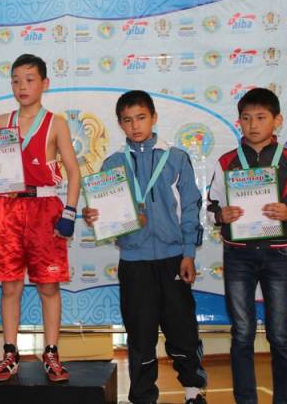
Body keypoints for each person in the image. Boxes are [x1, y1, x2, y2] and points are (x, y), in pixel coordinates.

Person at [82, 90, 207, 404]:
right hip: (134, 261)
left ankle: (193, 391)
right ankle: (142, 397)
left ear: (153, 118)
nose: (135, 125)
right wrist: (95, 216)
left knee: (182, 329)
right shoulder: (113, 164)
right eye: (127, 120)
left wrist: (188, 253)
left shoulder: (176, 158)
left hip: (173, 258)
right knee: (140, 333)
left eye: (141, 118)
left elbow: (190, 208)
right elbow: (107, 215)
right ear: (120, 124)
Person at [206, 87, 287, 404]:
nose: (253, 124)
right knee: (242, 334)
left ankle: (284, 399)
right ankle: (246, 400)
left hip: (278, 256)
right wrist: (221, 215)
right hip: (238, 257)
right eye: (246, 118)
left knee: (281, 336)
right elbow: (211, 207)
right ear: (238, 122)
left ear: (277, 120)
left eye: (260, 117)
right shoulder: (227, 162)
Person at [0, 53, 81, 382]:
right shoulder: (1, 122)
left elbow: (74, 171)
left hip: (44, 209)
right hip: (8, 208)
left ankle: (51, 352)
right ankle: (10, 353)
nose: (22, 86)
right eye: (16, 80)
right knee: (10, 286)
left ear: (45, 83)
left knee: (48, 286)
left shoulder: (55, 122)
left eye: (30, 80)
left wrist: (70, 212)